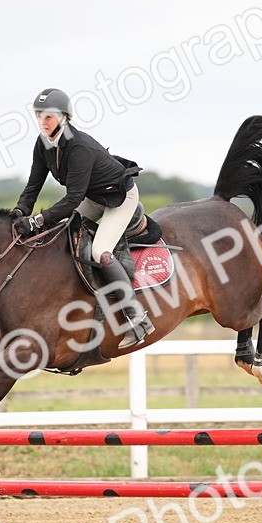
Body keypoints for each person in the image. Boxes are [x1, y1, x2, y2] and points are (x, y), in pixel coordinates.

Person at [11, 87, 154, 349]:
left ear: (64, 118)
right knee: (59, 233)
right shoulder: (43, 144)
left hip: (119, 199)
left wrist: (38, 220)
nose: (43, 122)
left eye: (48, 117)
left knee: (101, 252)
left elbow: (72, 199)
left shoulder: (78, 147)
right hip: (94, 197)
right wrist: (20, 211)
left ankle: (137, 317)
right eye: (39, 115)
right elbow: (33, 185)